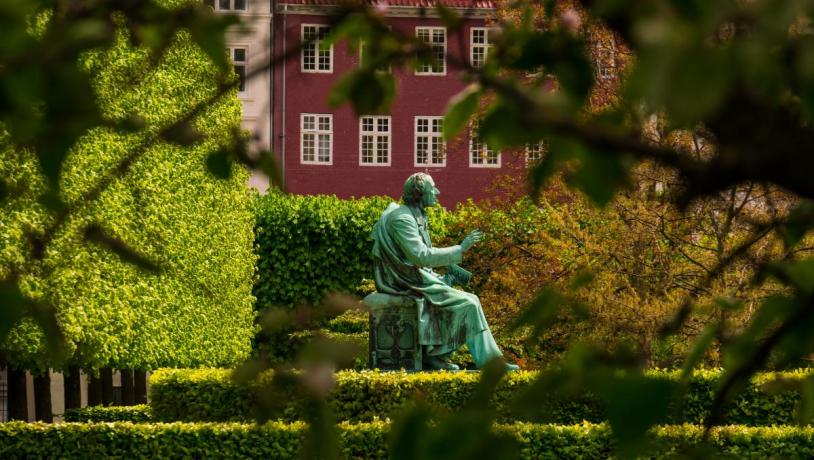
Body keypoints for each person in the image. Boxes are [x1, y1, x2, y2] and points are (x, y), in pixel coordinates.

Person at [371, 172, 519, 371]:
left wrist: (438, 277)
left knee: (472, 300)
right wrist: (461, 248)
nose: (438, 192)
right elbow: (420, 256)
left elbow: (418, 260)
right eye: (433, 188)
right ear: (419, 193)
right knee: (468, 304)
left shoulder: (417, 216)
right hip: (403, 282)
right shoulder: (403, 219)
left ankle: (436, 357)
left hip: (414, 277)